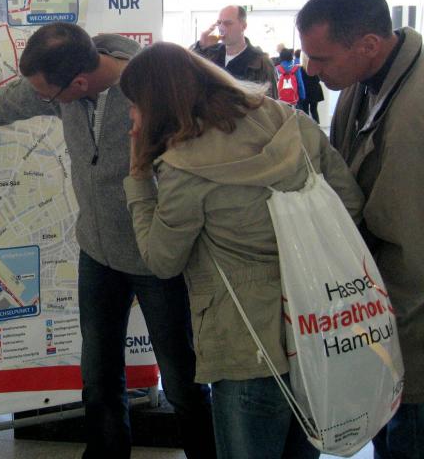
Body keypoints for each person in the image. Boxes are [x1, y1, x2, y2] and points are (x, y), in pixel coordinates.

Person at [0, 23, 215, 459]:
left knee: (183, 381)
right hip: (98, 255)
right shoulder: (60, 83)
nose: (39, 100)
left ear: (79, 83)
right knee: (98, 379)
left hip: (156, 258)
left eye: (46, 96)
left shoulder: (153, 92)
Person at [120, 42, 364, 458]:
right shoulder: (292, 122)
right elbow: (350, 206)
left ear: (157, 104)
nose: (132, 115)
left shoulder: (184, 167)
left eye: (135, 105)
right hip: (320, 328)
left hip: (245, 343)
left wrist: (139, 178)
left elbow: (162, 260)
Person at [297, 0, 424, 459]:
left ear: (369, 44)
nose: (310, 69)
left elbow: (410, 247)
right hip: (382, 317)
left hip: (411, 323)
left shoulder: (416, 105)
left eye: (322, 58)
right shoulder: (361, 85)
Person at [192, 5, 278, 98]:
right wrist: (201, 46)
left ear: (243, 26)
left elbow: (271, 103)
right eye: (219, 23)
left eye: (228, 23)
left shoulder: (261, 63)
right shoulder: (210, 54)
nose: (221, 28)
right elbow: (186, 74)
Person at [295, 49, 324, 123]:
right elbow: (319, 79)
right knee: (314, 110)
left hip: (306, 91)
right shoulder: (316, 67)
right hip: (315, 90)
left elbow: (299, 81)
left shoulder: (300, 69)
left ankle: (307, 126)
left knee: (305, 110)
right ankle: (317, 126)